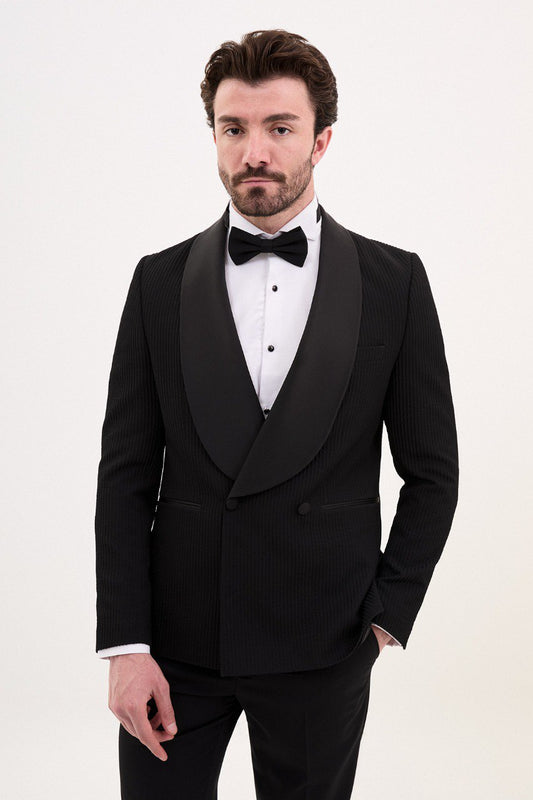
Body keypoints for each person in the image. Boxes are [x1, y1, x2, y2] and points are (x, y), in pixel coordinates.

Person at [94, 28, 459, 799]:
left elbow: (432, 471)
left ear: (320, 141)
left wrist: (386, 618)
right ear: (214, 137)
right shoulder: (158, 281)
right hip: (175, 646)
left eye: (279, 128)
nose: (253, 151)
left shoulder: (393, 282)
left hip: (323, 640)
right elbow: (125, 474)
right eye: (233, 128)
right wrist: (125, 644)